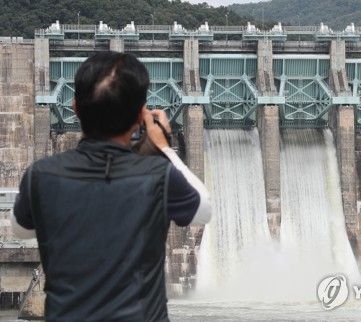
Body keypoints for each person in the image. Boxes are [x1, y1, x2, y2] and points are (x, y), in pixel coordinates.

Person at [11, 51, 211, 321]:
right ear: (141, 115)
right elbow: (203, 210)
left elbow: (20, 230)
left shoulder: (41, 175)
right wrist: (163, 147)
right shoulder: (157, 176)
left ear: (75, 108)